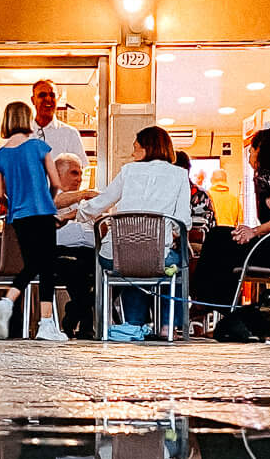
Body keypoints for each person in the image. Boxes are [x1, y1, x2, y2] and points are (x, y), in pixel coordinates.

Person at [69, 125, 192, 337]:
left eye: (136, 147)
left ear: (147, 147)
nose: (132, 151)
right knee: (176, 260)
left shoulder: (128, 171)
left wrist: (76, 215)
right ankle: (166, 326)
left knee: (134, 259)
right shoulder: (180, 175)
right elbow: (184, 222)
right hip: (156, 258)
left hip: (115, 258)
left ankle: (133, 324)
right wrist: (169, 231)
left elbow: (100, 203)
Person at [190, 128, 270, 325]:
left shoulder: (266, 176)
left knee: (218, 239)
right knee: (224, 239)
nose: (249, 155)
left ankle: (204, 303)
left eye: (251, 150)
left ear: (260, 150)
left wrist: (254, 231)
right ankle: (210, 304)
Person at [0, 101, 67, 341]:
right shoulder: (39, 147)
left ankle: (8, 302)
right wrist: (48, 201)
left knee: (34, 263)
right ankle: (44, 323)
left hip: (19, 217)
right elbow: (56, 182)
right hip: (42, 212)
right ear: (27, 119)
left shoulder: (0, 155)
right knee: (46, 267)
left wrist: (14, 202)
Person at [51, 151, 99, 339]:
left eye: (80, 174)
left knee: (108, 268)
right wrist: (84, 196)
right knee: (76, 267)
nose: (79, 178)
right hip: (54, 253)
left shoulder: (82, 202)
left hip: (87, 251)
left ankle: (73, 315)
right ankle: (84, 323)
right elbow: (54, 203)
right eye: (74, 173)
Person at [30, 79, 86, 166]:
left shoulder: (70, 134)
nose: (48, 98)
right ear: (33, 100)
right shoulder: (23, 134)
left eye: (52, 95)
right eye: (42, 95)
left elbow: (80, 169)